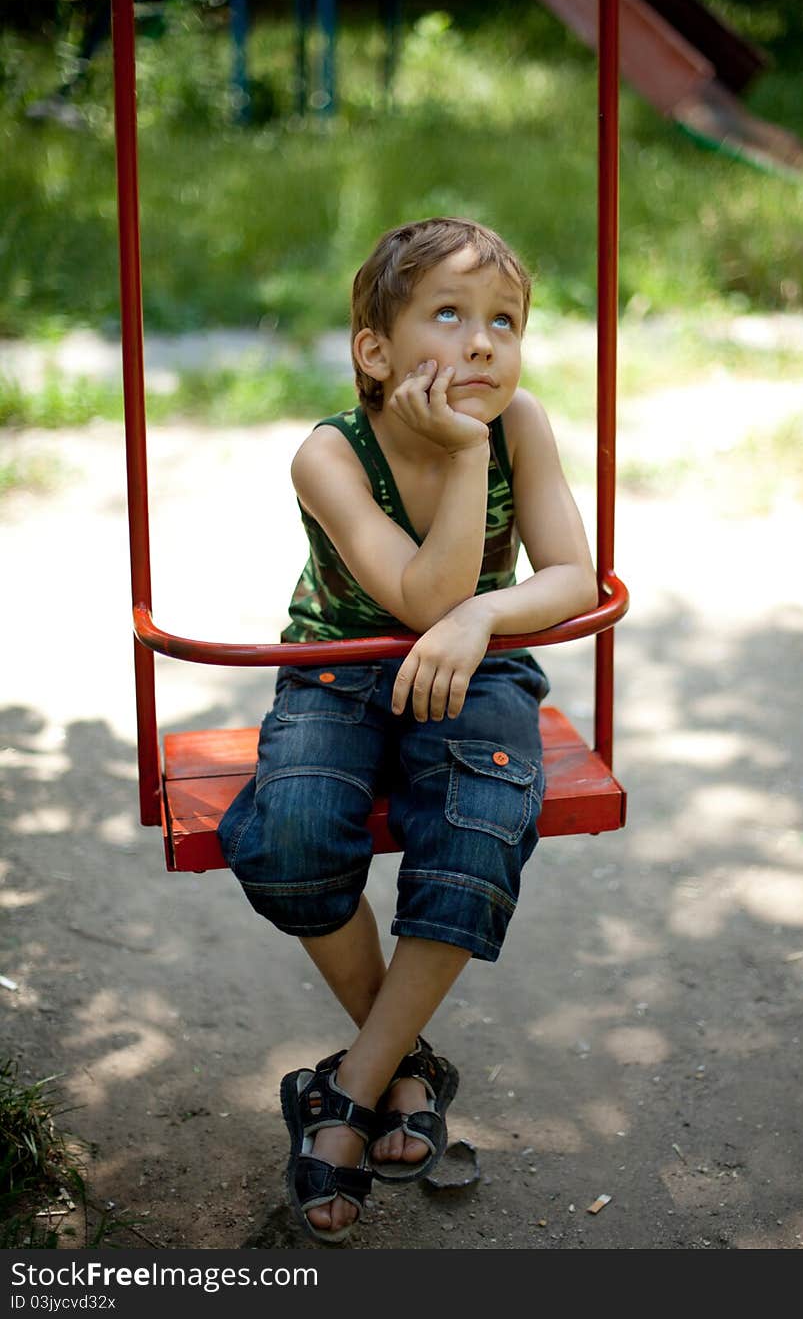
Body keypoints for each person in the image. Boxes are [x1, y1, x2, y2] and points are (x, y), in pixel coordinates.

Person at [219, 216, 598, 1243]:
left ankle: (347, 1089)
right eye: (448, 314)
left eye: (504, 322)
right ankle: (407, 1069)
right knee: (292, 841)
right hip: (337, 668)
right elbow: (424, 592)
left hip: (476, 661)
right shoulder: (328, 455)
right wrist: (464, 457)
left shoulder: (522, 423)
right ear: (374, 351)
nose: (483, 343)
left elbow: (571, 572)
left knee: (476, 834)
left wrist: (484, 614)